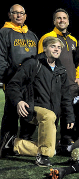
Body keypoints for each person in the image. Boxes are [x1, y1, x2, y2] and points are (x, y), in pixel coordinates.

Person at [3, 37, 75, 167]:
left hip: (51, 114)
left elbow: (66, 96)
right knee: (49, 116)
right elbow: (13, 85)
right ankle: (42, 157)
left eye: (59, 47)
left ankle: (14, 143)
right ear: (45, 48)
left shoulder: (61, 70)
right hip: (32, 108)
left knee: (51, 150)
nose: (56, 49)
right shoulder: (33, 63)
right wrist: (19, 101)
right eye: (53, 46)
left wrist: (70, 116)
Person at [38, 8, 79, 145]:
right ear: (54, 21)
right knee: (54, 113)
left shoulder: (73, 40)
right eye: (59, 18)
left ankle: (66, 140)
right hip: (53, 84)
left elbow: (77, 61)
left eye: (64, 18)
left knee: (68, 112)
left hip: (70, 84)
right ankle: (50, 141)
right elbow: (41, 60)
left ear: (68, 21)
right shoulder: (47, 37)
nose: (62, 20)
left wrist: (78, 76)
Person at [0, 4, 38, 149]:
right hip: (13, 80)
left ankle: (23, 142)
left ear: (25, 16)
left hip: (30, 82)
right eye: (15, 13)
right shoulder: (4, 32)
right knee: (11, 113)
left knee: (28, 111)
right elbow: (1, 57)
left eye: (21, 13)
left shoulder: (31, 35)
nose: (18, 15)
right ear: (9, 15)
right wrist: (7, 77)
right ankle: (6, 144)